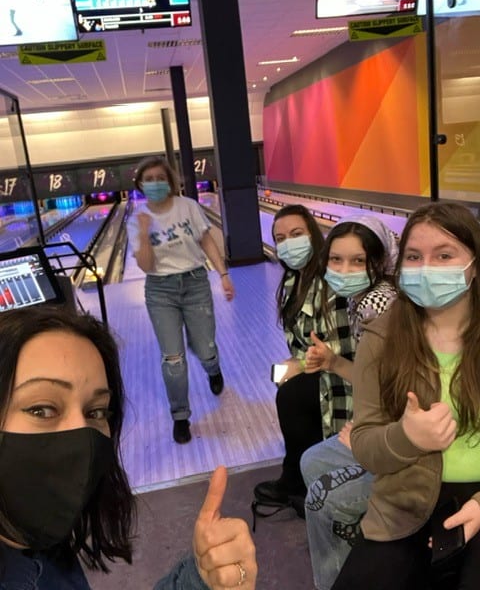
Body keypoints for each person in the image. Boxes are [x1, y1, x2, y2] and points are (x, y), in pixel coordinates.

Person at [0, 305, 257, 589]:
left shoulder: (33, 541)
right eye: (41, 409)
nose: (81, 433)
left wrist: (199, 579)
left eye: (96, 412)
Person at [332, 201, 480, 590]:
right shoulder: (380, 337)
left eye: (444, 255)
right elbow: (364, 444)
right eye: (414, 257)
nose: (426, 268)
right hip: (404, 502)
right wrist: (407, 437)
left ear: (474, 263)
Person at [298, 213, 398, 590]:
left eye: (358, 261)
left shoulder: (377, 304)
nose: (344, 269)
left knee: (321, 497)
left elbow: (406, 386)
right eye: (336, 259)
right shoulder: (364, 300)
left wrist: (371, 427)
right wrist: (333, 362)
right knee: (312, 460)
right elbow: (376, 378)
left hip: (401, 438)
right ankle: (362, 549)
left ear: (379, 261)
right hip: (388, 425)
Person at [253, 205, 355, 513]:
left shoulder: (332, 282)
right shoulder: (291, 283)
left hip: (346, 378)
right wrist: (293, 363)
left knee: (291, 395)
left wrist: (299, 366)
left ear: (313, 234)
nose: (288, 244)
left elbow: (343, 348)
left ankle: (297, 480)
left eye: (296, 234)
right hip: (317, 368)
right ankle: (302, 474)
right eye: (280, 238)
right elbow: (299, 344)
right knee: (281, 382)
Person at [127, 155, 234, 444]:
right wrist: (146, 233)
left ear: (169, 180)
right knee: (173, 359)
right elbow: (146, 266)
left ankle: (213, 368)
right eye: (148, 180)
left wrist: (223, 274)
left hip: (195, 283)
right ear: (140, 185)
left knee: (205, 348)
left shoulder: (188, 207)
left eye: (159, 178)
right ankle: (181, 416)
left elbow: (206, 241)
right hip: (160, 291)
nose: (155, 184)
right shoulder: (136, 221)